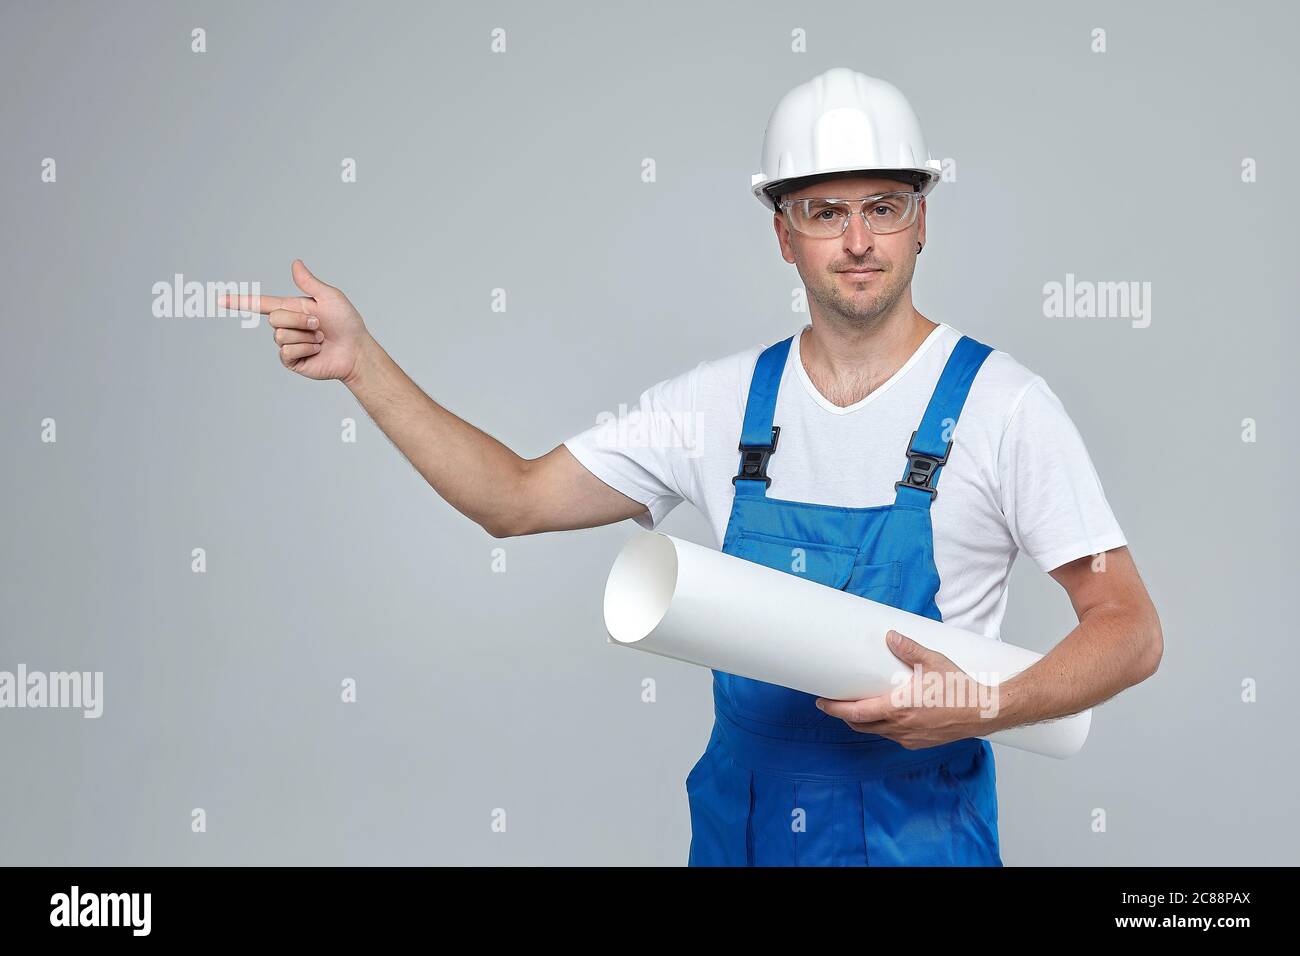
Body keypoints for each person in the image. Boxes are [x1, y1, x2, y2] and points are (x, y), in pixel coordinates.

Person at [222, 67, 1162, 867]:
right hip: (742, 832)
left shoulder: (1004, 407)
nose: (860, 239)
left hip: (920, 838)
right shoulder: (716, 406)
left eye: (885, 206)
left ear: (922, 222)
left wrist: (984, 702)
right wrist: (363, 363)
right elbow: (510, 499)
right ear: (782, 234)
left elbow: (1129, 629)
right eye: (824, 211)